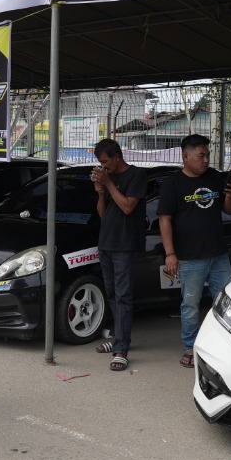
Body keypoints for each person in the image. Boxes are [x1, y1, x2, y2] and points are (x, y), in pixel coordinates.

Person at [160, 133, 231, 368]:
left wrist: (230, 196)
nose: (206, 160)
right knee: (191, 304)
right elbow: (164, 219)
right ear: (185, 157)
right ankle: (191, 346)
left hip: (218, 254)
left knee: (226, 302)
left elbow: (229, 211)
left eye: (207, 155)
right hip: (190, 257)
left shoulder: (214, 177)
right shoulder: (173, 183)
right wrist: (170, 253)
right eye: (201, 155)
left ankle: (227, 345)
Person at [92, 138, 147, 370]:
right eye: (100, 163)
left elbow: (127, 207)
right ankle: (119, 339)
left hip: (125, 244)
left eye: (105, 161)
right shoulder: (108, 179)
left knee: (124, 296)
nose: (104, 167)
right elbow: (103, 214)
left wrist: (109, 184)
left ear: (117, 156)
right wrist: (100, 192)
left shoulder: (137, 175)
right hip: (106, 242)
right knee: (112, 294)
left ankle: (121, 349)